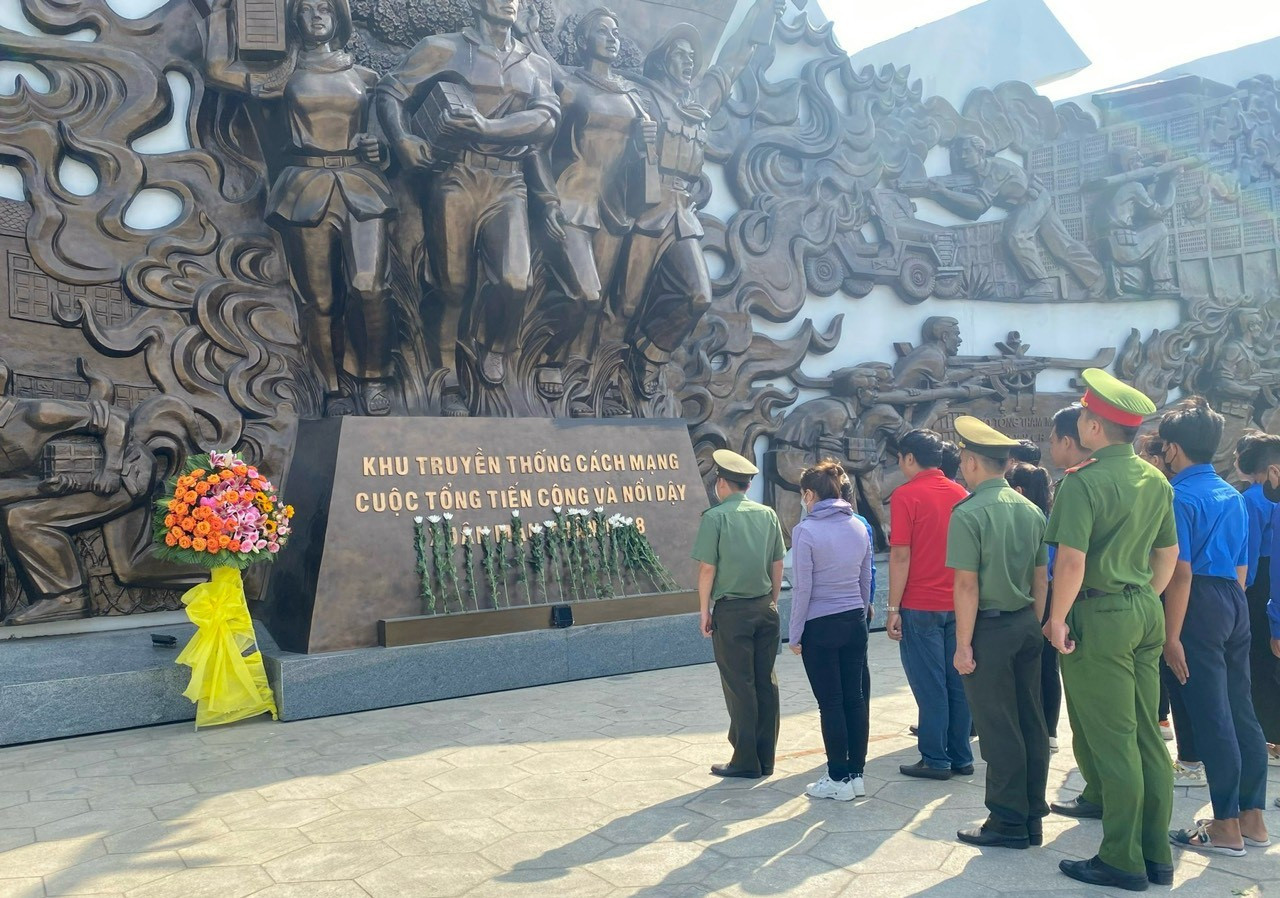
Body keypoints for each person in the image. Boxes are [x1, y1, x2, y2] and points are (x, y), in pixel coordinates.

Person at [205, 0, 397, 417]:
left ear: (338, 18)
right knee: (320, 301)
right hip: (306, 189)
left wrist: (376, 147)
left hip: (360, 187)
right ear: (295, 19)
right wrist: (220, 14)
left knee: (370, 286)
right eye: (308, 9)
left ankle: (376, 376)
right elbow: (218, 72)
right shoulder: (282, 76)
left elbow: (383, 145)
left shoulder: (366, 77)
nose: (317, 15)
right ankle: (330, 387)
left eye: (325, 8)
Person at [376, 0, 560, 413]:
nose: (509, 2)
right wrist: (404, 141)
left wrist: (489, 127)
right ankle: (447, 377)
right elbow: (390, 92)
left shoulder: (536, 65)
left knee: (516, 280)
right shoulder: (441, 48)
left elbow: (547, 120)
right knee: (452, 285)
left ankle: (494, 345)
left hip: (508, 181)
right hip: (456, 176)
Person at [1044, 368, 1179, 891]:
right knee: (1148, 734)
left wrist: (1056, 619)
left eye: (1082, 414)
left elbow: (1072, 564)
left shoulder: (1084, 481)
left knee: (1116, 738)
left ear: (1095, 426)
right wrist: (1142, 593)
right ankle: (1155, 853)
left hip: (1099, 615)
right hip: (1145, 607)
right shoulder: (1154, 478)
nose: (1079, 421)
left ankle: (1122, 859)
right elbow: (1167, 554)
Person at [1158, 399, 1270, 857]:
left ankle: (1224, 826)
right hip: (1232, 599)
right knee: (1241, 710)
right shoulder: (1231, 494)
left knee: (1211, 714)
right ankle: (1252, 818)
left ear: (1172, 448)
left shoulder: (1179, 497)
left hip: (1196, 602)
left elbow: (1180, 573)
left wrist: (1170, 636)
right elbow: (1242, 569)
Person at [949, 418, 1051, 849]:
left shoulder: (969, 512)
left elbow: (967, 585)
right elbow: (1042, 576)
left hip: (989, 628)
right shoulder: (1030, 508)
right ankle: (1031, 815)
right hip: (1027, 622)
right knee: (1031, 721)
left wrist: (963, 644)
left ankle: (1007, 820)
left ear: (971, 461)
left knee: (998, 727)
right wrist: (1037, 622)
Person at [692, 448, 786, 778]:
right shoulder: (768, 515)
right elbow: (778, 564)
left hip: (731, 612)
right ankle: (766, 758)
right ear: (747, 485)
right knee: (765, 681)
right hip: (765, 607)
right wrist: (771, 599)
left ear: (722, 483)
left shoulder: (715, 517)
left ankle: (746, 760)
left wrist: (704, 610)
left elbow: (707, 569)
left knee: (739, 685)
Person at [886, 429, 974, 779]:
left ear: (909, 458)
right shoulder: (962, 494)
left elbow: (901, 555)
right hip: (958, 603)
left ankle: (936, 758)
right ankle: (961, 755)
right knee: (958, 680)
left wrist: (893, 609)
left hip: (920, 605)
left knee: (930, 683)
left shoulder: (905, 496)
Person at [789, 461, 874, 801]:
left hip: (820, 626)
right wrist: (861, 611)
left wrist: (794, 634)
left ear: (809, 494)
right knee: (855, 698)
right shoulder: (856, 524)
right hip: (854, 619)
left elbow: (802, 589)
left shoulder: (806, 531)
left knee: (832, 703)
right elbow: (864, 577)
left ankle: (837, 776)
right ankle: (856, 775)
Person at [1137, 434, 1205, 788]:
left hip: (1174, 593)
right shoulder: (1225, 492)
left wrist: (1154, 605)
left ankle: (1191, 759)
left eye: (1150, 454)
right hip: (1217, 598)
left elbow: (1177, 566)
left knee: (1180, 675)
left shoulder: (1174, 496)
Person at [1005, 462, 1059, 752]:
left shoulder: (1025, 520)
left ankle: (1031, 728)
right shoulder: (1052, 518)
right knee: (1049, 666)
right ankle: (1049, 731)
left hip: (1032, 596)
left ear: (1019, 490)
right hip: (1052, 596)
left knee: (1027, 664)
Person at [1236, 432, 1280, 761]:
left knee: (1260, 663)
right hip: (1271, 580)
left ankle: (1270, 734)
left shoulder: (1252, 499)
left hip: (1261, 585)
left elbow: (1247, 559)